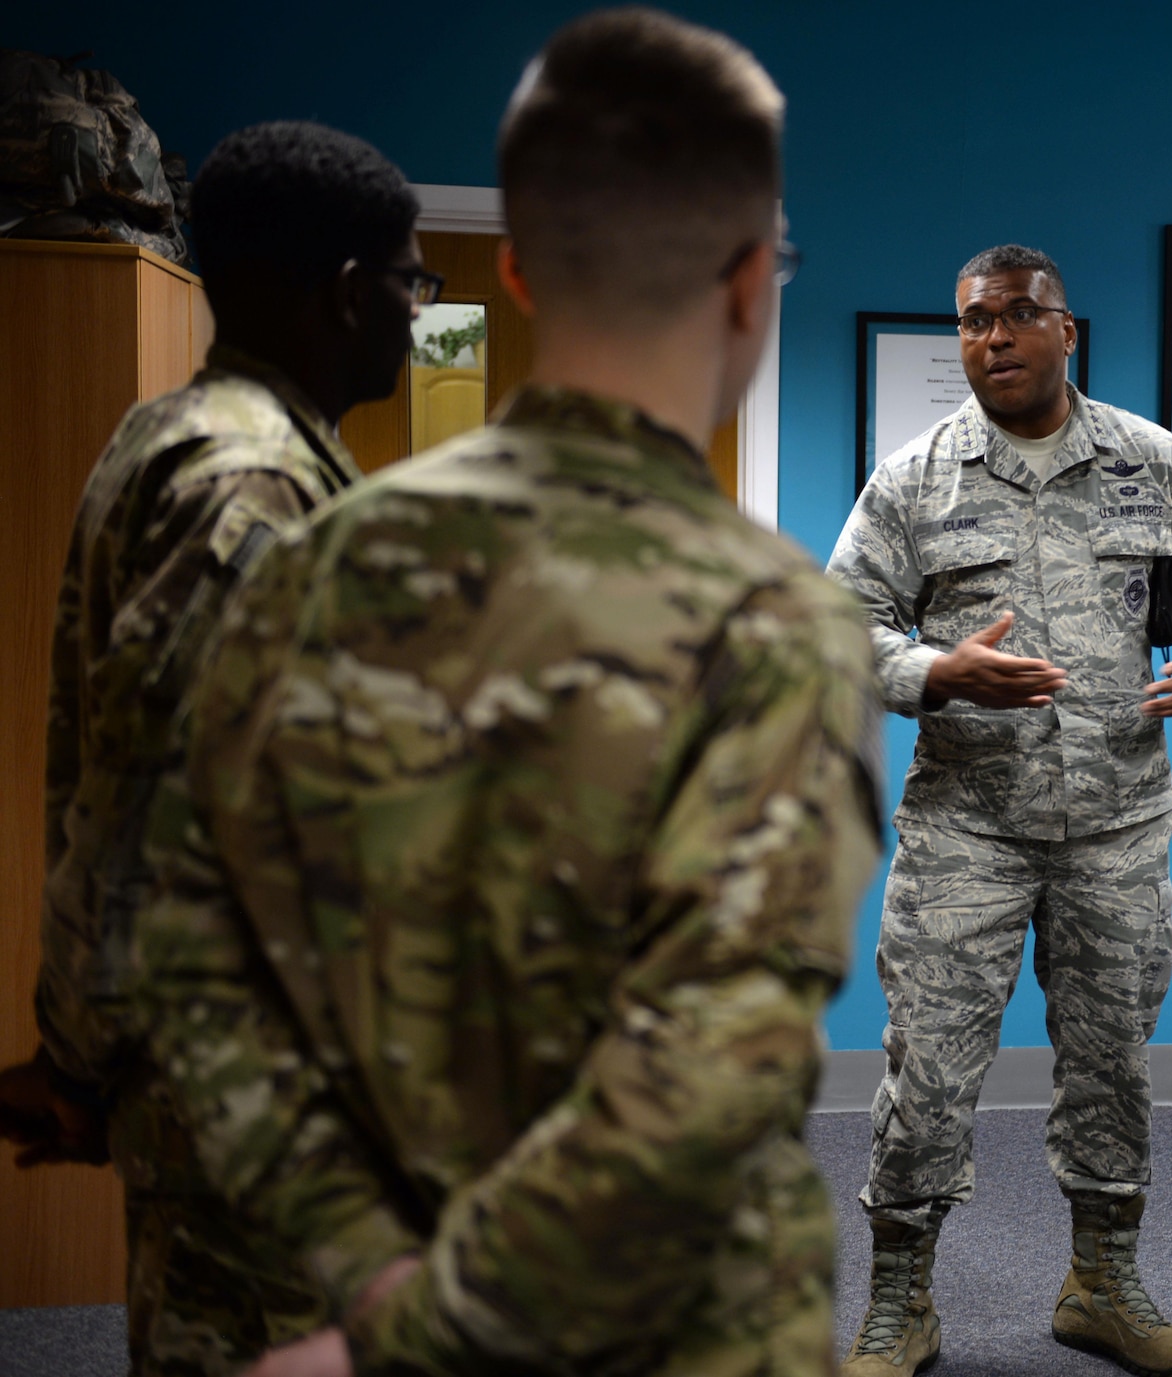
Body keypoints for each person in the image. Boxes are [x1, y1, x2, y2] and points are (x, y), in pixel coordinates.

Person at [132, 11, 882, 1376]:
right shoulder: (772, 622)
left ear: (522, 273)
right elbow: (707, 1074)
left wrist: (367, 1277)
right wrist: (429, 1332)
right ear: (746, 280)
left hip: (348, 1275)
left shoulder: (318, 560)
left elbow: (188, 948)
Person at [0, 121, 424, 1376]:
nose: (415, 313)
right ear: (350, 294)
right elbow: (157, 812)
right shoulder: (252, 491)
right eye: (411, 282)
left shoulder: (183, 435)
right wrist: (81, 1054)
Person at [827, 243, 1172, 1377]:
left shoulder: (1151, 463)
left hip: (1114, 823)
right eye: (973, 321)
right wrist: (935, 672)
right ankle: (900, 1302)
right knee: (925, 1074)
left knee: (1111, 1066)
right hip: (964, 826)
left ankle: (1100, 1284)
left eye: (1019, 316)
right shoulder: (915, 478)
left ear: (1066, 331)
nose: (995, 338)